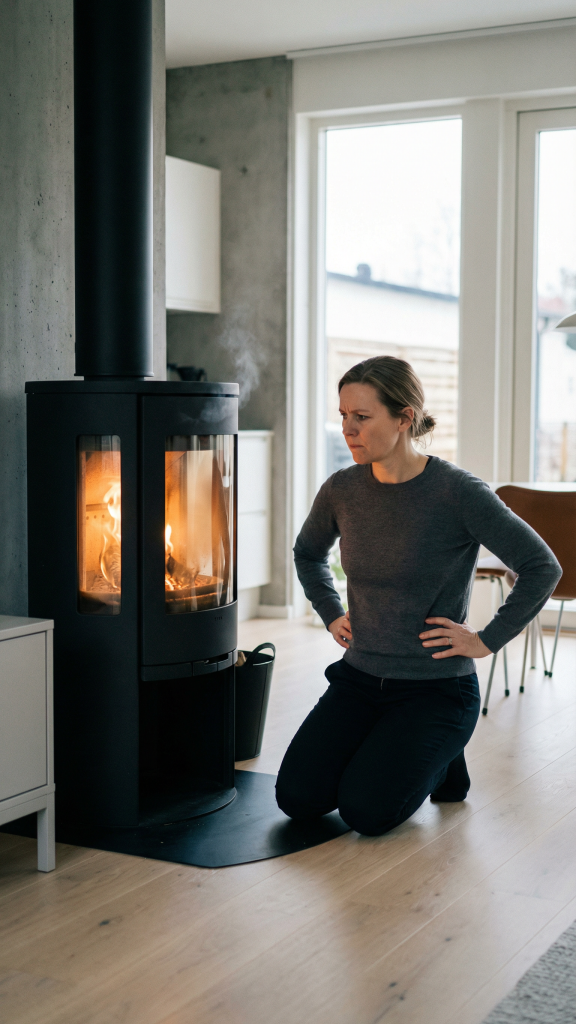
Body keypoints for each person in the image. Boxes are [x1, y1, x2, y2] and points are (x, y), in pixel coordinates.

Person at [276, 356, 561, 836]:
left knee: (365, 812)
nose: (347, 428)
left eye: (361, 417)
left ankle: (445, 758)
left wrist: (486, 640)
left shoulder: (457, 492)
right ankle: (413, 751)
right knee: (298, 799)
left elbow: (541, 566)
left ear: (404, 417)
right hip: (359, 679)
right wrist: (330, 612)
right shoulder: (342, 489)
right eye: (343, 415)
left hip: (435, 689)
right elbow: (308, 554)